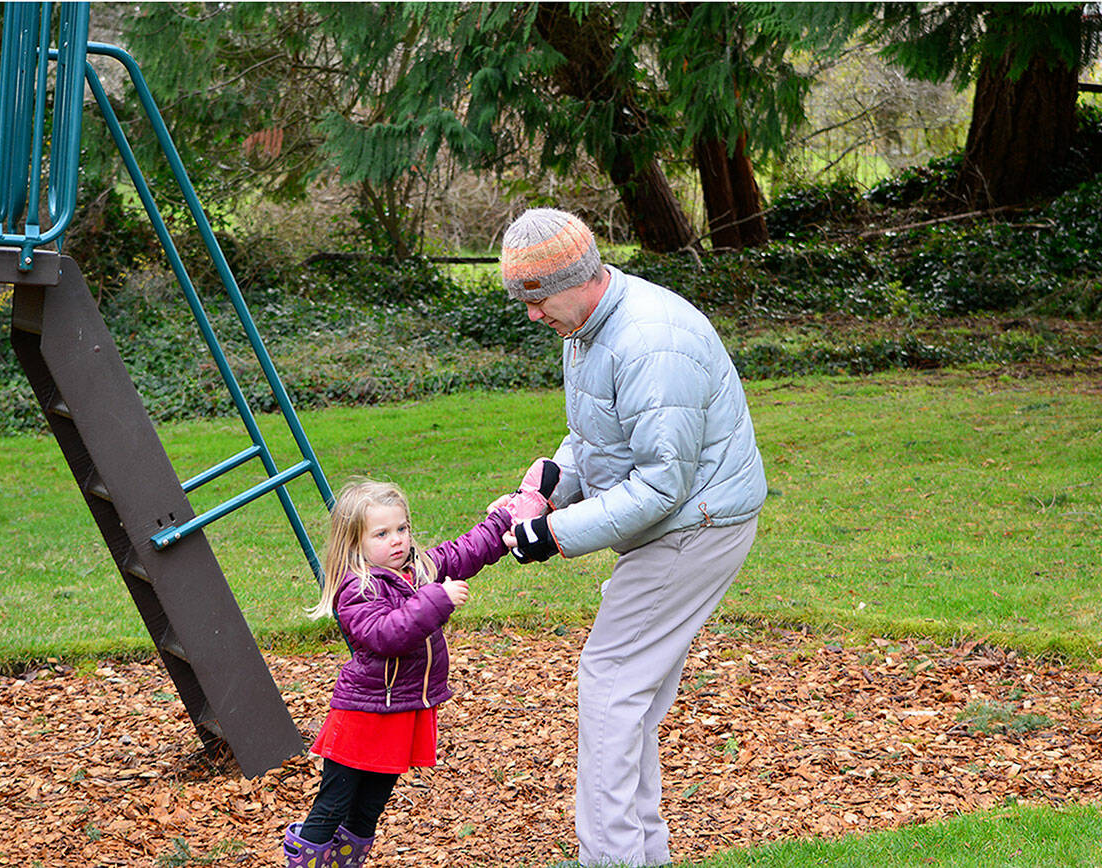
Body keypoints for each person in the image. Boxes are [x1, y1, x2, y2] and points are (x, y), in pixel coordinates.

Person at [497, 208, 767, 867]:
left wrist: (552, 533)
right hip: (678, 520)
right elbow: (599, 436)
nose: (533, 317)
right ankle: (640, 857)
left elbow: (661, 486)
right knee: (630, 697)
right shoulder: (587, 328)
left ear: (579, 277)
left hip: (696, 527)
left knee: (611, 682)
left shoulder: (650, 341)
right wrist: (553, 483)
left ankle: (611, 860)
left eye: (536, 300)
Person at [282, 474, 553, 867]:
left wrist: (505, 517)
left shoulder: (419, 568)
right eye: (381, 534)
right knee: (334, 804)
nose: (397, 540)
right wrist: (436, 600)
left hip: (401, 710)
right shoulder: (357, 588)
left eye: (402, 528)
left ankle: (344, 863)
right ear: (354, 543)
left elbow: (465, 552)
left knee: (369, 808)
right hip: (362, 717)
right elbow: (387, 634)